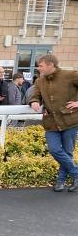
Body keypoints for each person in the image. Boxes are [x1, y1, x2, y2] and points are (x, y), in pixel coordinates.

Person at [28, 54, 78, 192]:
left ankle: (60, 182)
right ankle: (76, 174)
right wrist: (34, 102)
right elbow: (35, 95)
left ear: (51, 65)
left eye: (41, 66)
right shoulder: (39, 81)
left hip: (70, 121)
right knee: (54, 150)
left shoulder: (70, 75)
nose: (38, 68)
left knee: (67, 152)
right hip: (51, 123)